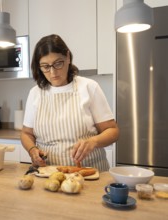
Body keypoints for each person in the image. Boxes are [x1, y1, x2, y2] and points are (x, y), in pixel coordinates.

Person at [21, 34, 119, 171]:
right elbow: (26, 133)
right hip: (49, 174)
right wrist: (32, 150)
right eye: (45, 66)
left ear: (67, 57)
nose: (53, 72)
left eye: (58, 63)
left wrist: (93, 141)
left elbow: (113, 131)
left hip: (89, 173)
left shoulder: (89, 87)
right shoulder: (35, 93)